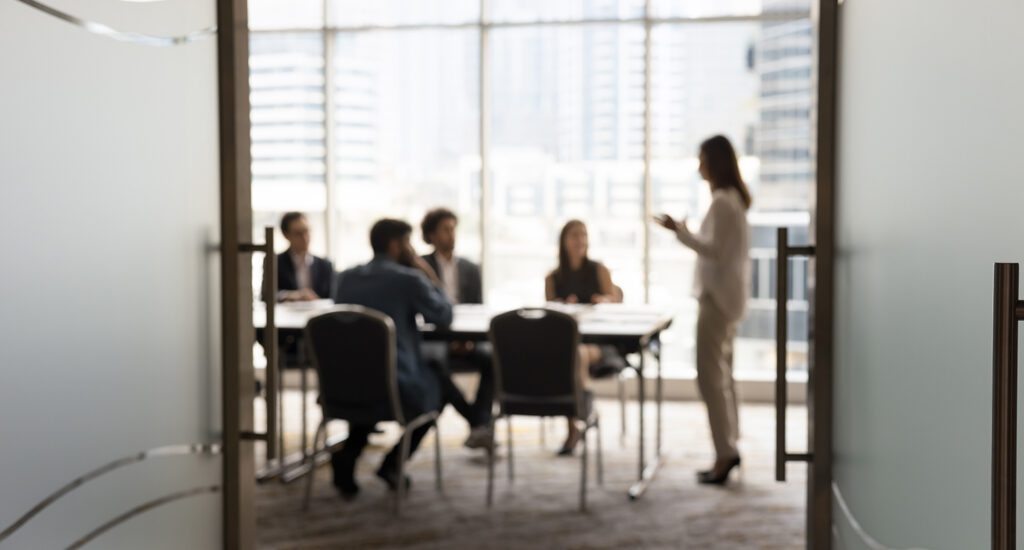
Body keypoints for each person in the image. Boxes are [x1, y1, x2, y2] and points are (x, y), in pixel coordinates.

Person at [329, 219, 453, 499]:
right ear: (396, 245)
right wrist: (427, 273)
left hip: (346, 383)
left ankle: (349, 454)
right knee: (437, 389)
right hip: (395, 385)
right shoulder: (408, 279)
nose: (412, 250)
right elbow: (444, 316)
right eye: (409, 244)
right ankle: (392, 464)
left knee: (370, 378)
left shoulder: (346, 278)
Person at [653, 135, 752, 485]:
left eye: (702, 158)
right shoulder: (732, 201)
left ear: (714, 161)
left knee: (710, 378)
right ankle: (730, 446)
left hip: (718, 301)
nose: (698, 166)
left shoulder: (724, 203)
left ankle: (725, 452)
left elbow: (713, 251)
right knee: (723, 376)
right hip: (728, 299)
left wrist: (679, 231)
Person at [544, 220, 624, 456]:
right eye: (574, 235)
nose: (580, 240)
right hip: (568, 340)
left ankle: (576, 420)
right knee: (566, 355)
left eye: (584, 235)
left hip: (600, 342)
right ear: (564, 241)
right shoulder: (553, 278)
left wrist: (605, 301)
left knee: (574, 356)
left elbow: (615, 304)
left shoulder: (599, 270)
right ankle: (581, 414)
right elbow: (550, 314)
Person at [420, 208, 494, 450]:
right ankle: (478, 422)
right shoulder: (421, 267)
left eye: (454, 229)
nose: (452, 235)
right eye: (445, 230)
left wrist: (468, 338)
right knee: (435, 364)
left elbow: (478, 309)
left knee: (492, 359)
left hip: (469, 335)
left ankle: (479, 421)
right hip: (434, 336)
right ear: (431, 235)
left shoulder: (471, 268)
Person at [263, 212, 334, 302]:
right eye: (298, 234)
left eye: (306, 231)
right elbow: (266, 295)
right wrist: (292, 295)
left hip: (319, 314)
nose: (305, 238)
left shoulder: (325, 265)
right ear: (286, 235)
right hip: (287, 315)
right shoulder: (275, 262)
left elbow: (333, 297)